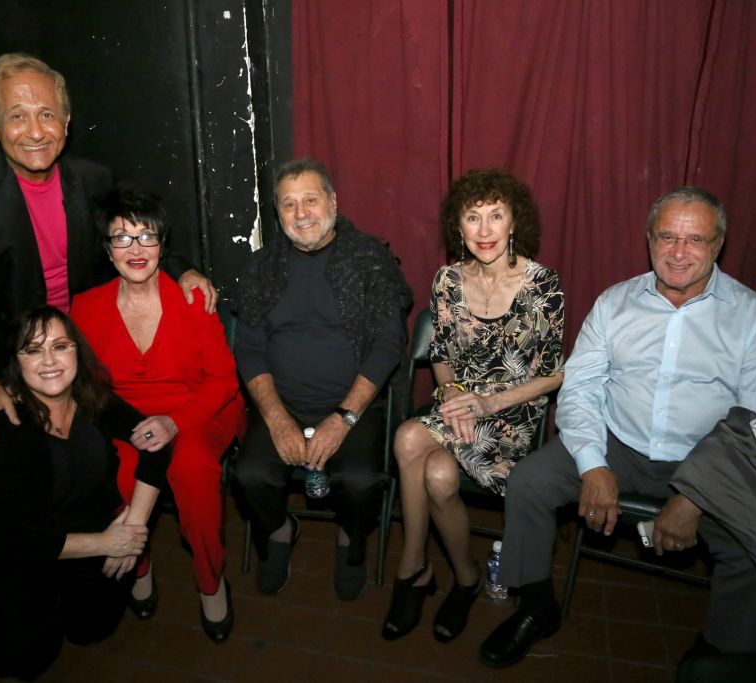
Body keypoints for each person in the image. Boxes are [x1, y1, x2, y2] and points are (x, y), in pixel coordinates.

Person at [479, 187, 756, 668]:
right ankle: (536, 606)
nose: (679, 252)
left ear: (719, 243)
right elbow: (580, 389)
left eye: (695, 239)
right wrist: (594, 466)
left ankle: (723, 655)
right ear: (648, 240)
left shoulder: (754, 318)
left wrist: (694, 497)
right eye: (667, 237)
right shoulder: (615, 303)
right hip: (618, 442)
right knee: (530, 481)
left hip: (709, 460)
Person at [0, 52, 215, 454]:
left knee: (126, 454)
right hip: (15, 365)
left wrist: (184, 271)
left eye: (47, 114)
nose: (35, 131)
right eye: (16, 116)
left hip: (90, 354)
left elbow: (134, 240)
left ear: (66, 120)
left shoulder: (94, 180)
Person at [382, 168, 564, 642]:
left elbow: (554, 375)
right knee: (437, 473)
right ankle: (458, 576)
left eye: (495, 216)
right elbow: (441, 356)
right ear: (457, 227)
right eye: (472, 217)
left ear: (513, 223)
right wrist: (452, 397)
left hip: (513, 414)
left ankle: (415, 572)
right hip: (459, 407)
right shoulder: (447, 280)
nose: (484, 230)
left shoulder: (542, 285)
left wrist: (487, 403)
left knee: (408, 438)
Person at [231, 158, 412, 601]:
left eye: (310, 199)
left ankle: (352, 540)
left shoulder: (370, 258)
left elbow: (389, 346)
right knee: (249, 474)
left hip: (354, 406)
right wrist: (275, 419)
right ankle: (278, 531)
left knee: (361, 480)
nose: (301, 213)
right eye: (289, 205)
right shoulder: (261, 268)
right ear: (278, 214)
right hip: (282, 404)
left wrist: (342, 419)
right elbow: (250, 349)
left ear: (332, 201)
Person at [71, 183, 245, 641]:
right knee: (120, 476)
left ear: (162, 246)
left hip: (197, 410)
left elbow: (224, 381)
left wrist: (174, 422)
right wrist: (133, 427)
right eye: (121, 237)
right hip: (125, 419)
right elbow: (88, 389)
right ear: (107, 250)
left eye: (146, 236)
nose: (135, 248)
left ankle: (210, 582)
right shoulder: (85, 309)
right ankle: (137, 565)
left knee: (193, 469)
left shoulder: (193, 300)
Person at [0, 306, 170, 680]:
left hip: (92, 538)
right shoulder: (4, 429)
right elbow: (14, 539)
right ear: (14, 363)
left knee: (94, 630)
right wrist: (107, 543)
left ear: (77, 351)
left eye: (60, 346)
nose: (49, 361)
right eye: (32, 350)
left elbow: (157, 441)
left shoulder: (91, 399)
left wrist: (133, 531)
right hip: (24, 559)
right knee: (26, 661)